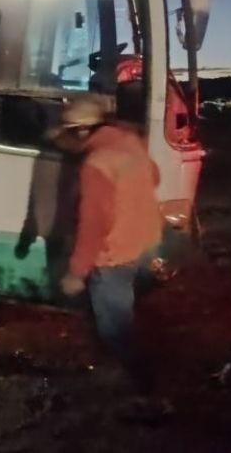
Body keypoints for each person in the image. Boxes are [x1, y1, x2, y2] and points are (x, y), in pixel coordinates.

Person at [54, 94, 162, 379]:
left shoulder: (97, 163)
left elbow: (94, 224)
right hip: (145, 242)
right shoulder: (129, 142)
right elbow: (154, 175)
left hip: (114, 256)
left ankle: (141, 381)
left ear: (81, 130)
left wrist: (76, 273)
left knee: (115, 329)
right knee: (128, 308)